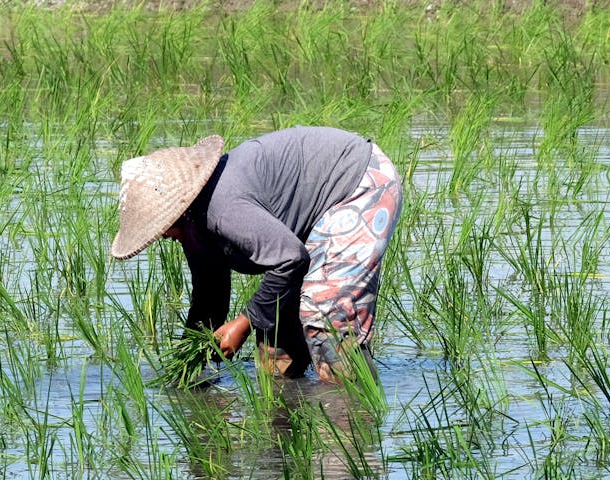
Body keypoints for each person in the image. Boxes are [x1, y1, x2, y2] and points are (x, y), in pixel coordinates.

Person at [110, 126, 403, 382]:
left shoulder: (223, 209)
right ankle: (284, 429)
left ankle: (351, 423)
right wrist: (192, 362)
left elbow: (290, 258)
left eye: (160, 226)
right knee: (274, 334)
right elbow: (209, 295)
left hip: (358, 183)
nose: (161, 235)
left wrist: (244, 322)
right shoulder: (194, 223)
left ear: (178, 209)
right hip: (311, 219)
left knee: (325, 317)